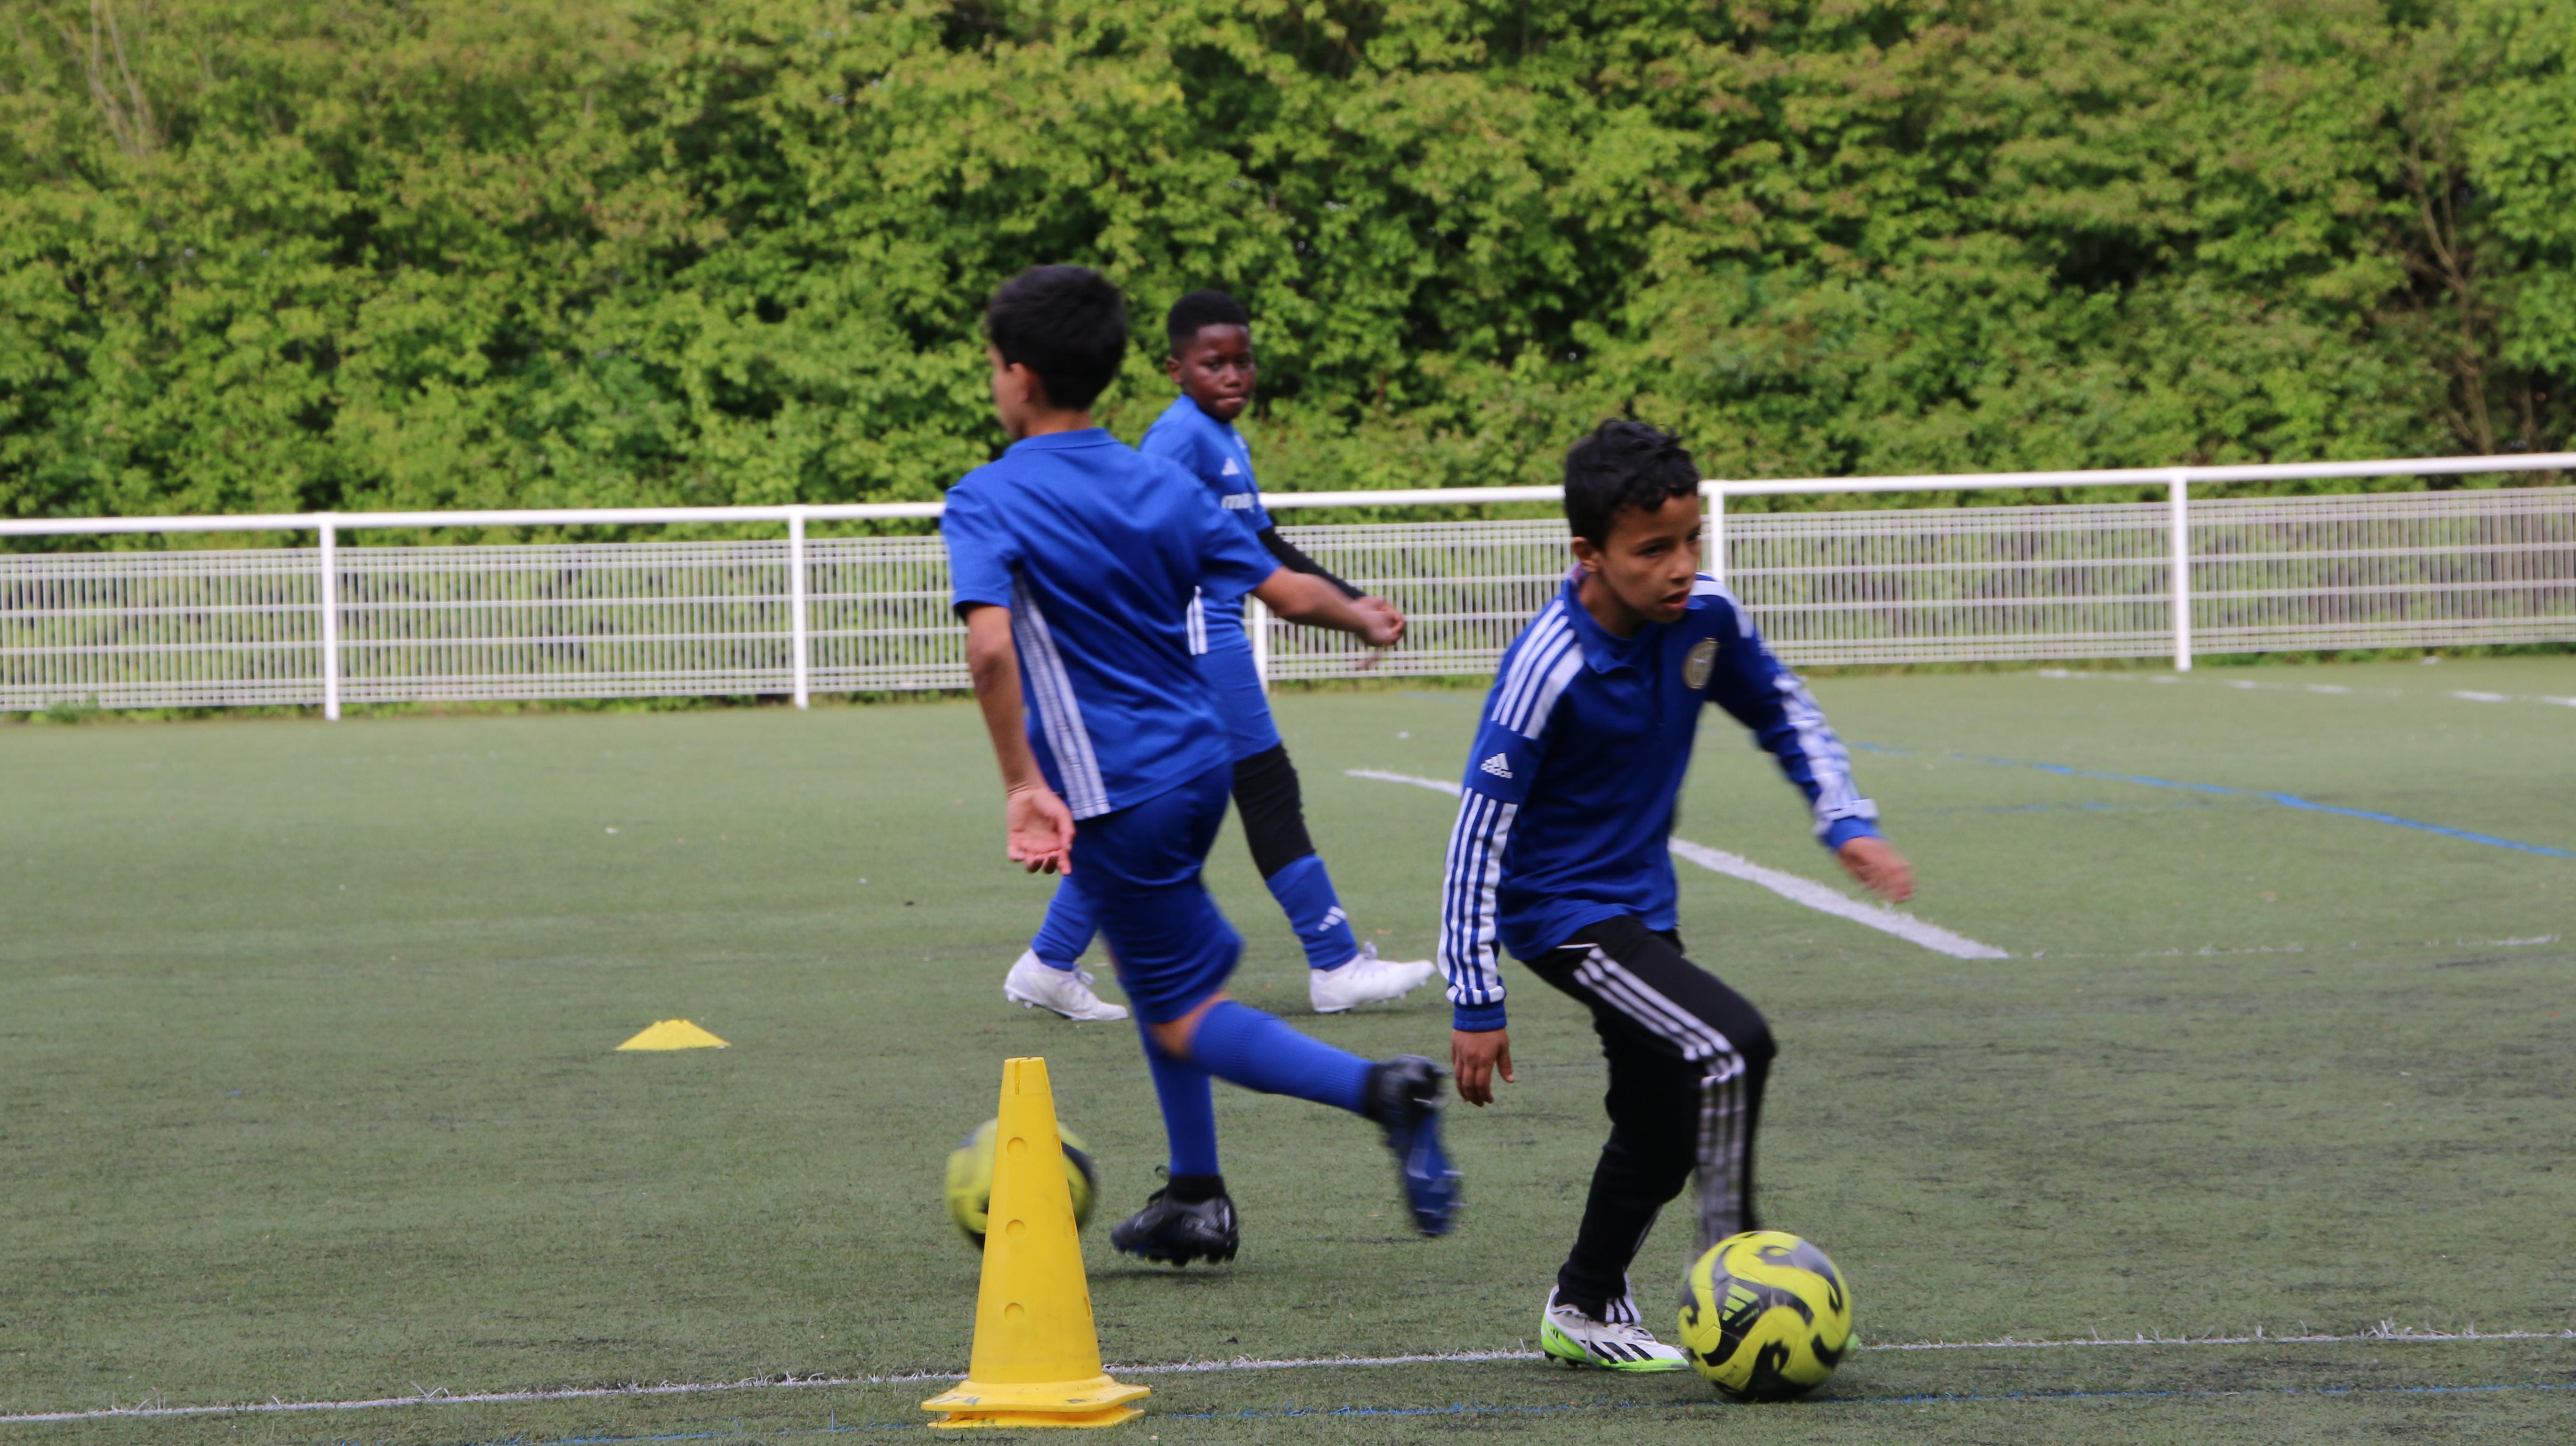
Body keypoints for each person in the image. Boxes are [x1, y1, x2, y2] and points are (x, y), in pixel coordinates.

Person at [944, 264, 1462, 1265]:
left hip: (1119, 788)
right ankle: (1195, 1195)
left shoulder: (988, 496)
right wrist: (1357, 609)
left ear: (1016, 375)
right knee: (1156, 977)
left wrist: (1022, 782)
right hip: (1197, 769)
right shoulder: (1159, 482)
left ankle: (1383, 1093)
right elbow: (1281, 588)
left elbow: (992, 647)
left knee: (1183, 1017)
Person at [1435, 420, 1914, 1369]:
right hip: (1559, 914)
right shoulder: (1547, 667)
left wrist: (1844, 817)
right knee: (1733, 1044)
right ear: (1590, 554)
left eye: (1691, 541)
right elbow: (1477, 832)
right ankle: (1742, 1294)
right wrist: (1474, 995)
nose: (1680, 567)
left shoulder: (1706, 618)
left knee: (1661, 1119)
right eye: (1653, 550)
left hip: (1639, 906)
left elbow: (1783, 705)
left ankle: (1581, 1309)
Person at [1001, 289, 1436, 1023]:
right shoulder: (1177, 440)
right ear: (1178, 370)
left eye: (1244, 361)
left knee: (1145, 812)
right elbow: (1132, 539)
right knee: (1266, 789)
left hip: (1210, 640)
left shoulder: (1222, 438)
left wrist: (1354, 599)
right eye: (1215, 364)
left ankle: (1049, 959)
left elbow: (1263, 547)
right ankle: (1333, 964)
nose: (1234, 376)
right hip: (1196, 643)